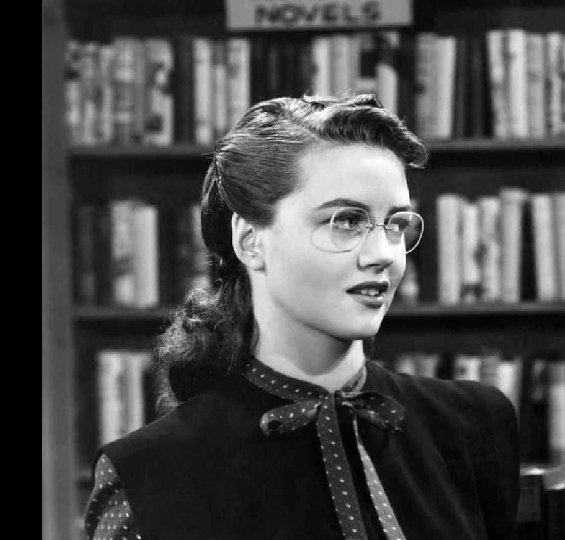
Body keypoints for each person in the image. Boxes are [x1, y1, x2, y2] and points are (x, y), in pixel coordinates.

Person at [84, 94, 519, 540]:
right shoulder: (146, 474)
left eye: (395, 224)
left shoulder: (472, 424)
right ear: (250, 241)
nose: (384, 255)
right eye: (346, 221)